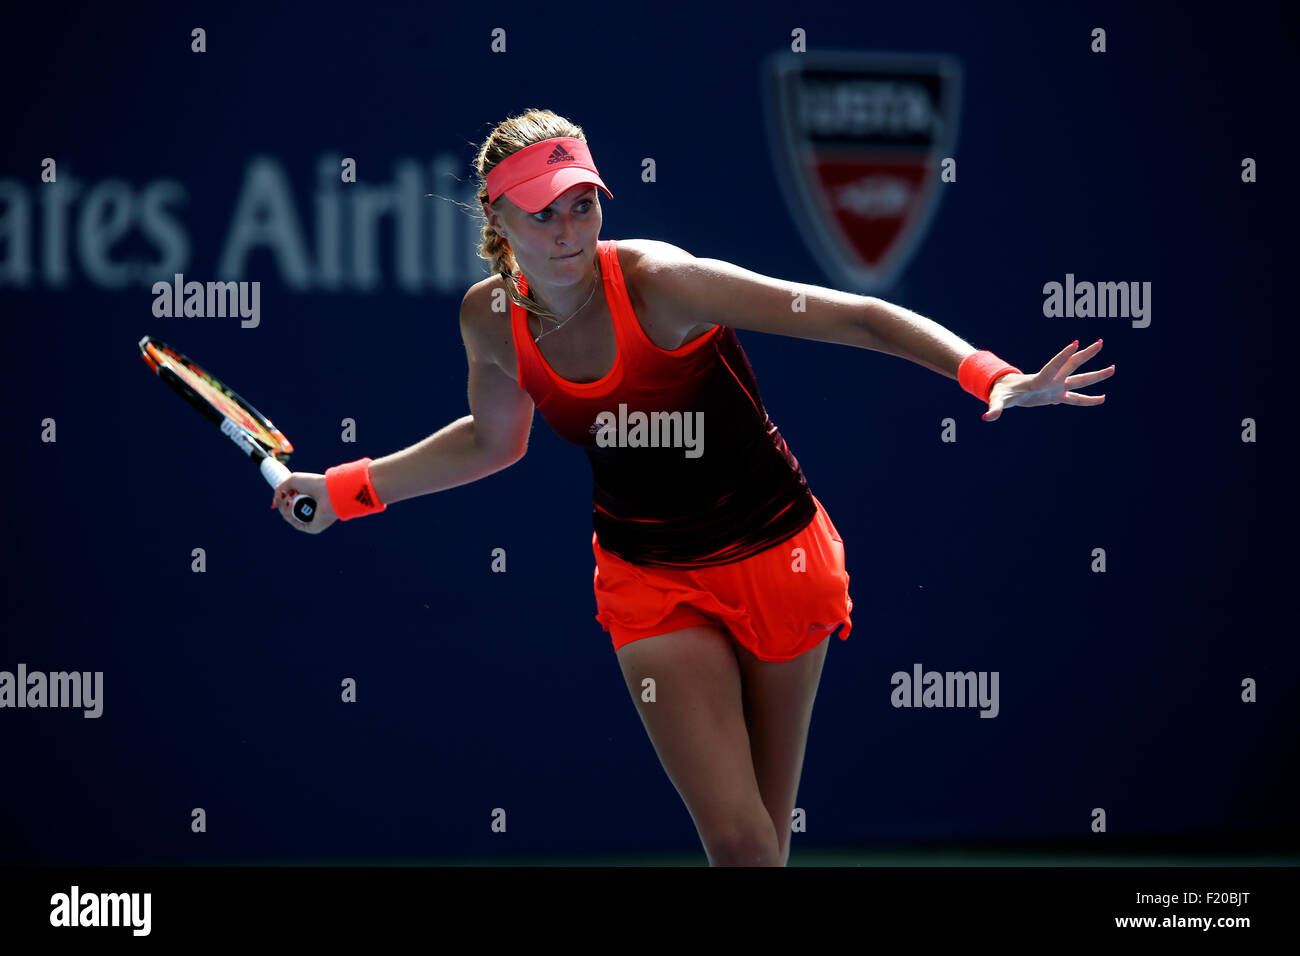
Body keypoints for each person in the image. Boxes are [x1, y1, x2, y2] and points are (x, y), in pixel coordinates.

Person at [271, 108, 1115, 866]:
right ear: (496, 219)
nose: (567, 228)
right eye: (541, 211)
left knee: (765, 849)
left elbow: (853, 314)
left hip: (781, 559)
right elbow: (494, 442)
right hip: (648, 582)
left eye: (582, 204)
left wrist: (989, 375)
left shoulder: (662, 283)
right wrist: (349, 490)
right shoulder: (486, 321)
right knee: (741, 844)